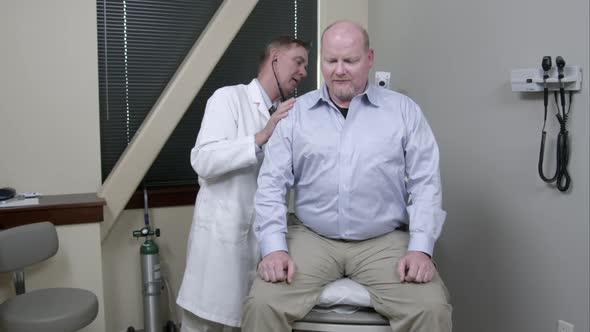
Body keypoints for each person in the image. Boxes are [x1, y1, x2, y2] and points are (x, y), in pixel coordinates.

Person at [242, 21, 452, 332]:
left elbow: (425, 184)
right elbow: (271, 186)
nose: (339, 70)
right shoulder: (294, 114)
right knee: (262, 305)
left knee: (431, 308)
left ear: (369, 58)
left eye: (350, 61)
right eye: (331, 61)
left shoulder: (404, 112)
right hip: (313, 238)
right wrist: (274, 248)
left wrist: (420, 249)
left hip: (382, 241)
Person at [176, 36, 309, 332]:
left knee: (248, 320)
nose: (304, 72)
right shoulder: (229, 99)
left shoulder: (286, 115)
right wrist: (261, 136)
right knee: (204, 324)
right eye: (298, 62)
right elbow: (203, 160)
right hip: (220, 243)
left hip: (260, 245)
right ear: (274, 59)